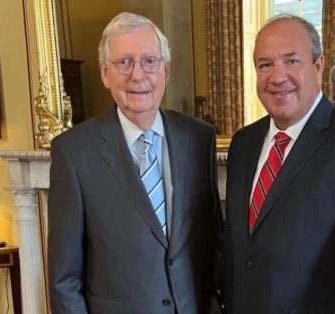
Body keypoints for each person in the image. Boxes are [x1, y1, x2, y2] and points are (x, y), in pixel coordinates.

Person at [223, 14, 335, 313]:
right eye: (265, 64)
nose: (277, 77)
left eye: (291, 61)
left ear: (318, 66)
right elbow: (238, 254)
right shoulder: (243, 143)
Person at [48, 12, 221, 313]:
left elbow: (212, 238)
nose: (138, 75)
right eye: (124, 62)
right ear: (105, 73)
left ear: (165, 71)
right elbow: (64, 280)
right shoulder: (74, 152)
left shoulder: (198, 138)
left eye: (149, 62)